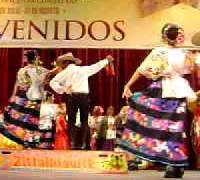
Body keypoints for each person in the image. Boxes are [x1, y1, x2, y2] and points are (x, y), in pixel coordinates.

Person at [121, 23, 199, 178]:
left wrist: (194, 60)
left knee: (175, 128)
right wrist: (128, 85)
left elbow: (196, 71)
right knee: (160, 126)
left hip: (178, 90)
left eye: (182, 34)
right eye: (179, 34)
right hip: (160, 89)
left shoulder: (187, 53)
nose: (182, 37)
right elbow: (142, 69)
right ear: (170, 36)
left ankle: (175, 165)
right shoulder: (159, 51)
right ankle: (167, 163)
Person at [0, 50, 57, 149]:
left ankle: (19, 142)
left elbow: (17, 84)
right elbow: (46, 81)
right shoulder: (42, 70)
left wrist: (13, 95)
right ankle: (29, 144)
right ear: (36, 58)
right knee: (31, 122)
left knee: (17, 120)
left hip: (22, 95)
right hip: (34, 97)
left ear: (27, 59)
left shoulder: (22, 70)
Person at [49, 52, 114, 150]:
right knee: (84, 121)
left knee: (71, 121)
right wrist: (106, 60)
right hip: (84, 97)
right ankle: (84, 144)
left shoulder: (65, 72)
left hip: (73, 96)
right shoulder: (83, 70)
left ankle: (73, 143)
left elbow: (52, 82)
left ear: (66, 63)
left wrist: (63, 89)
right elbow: (96, 66)